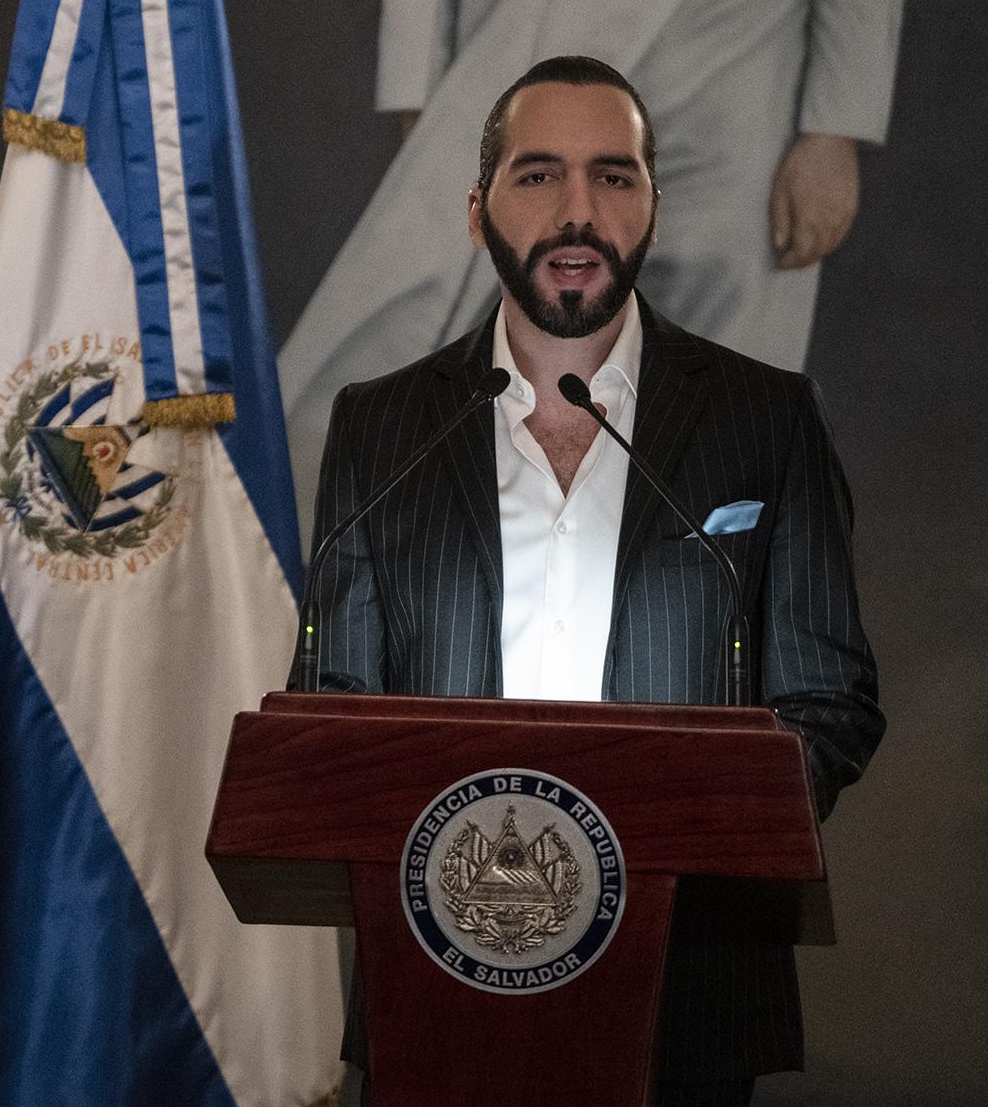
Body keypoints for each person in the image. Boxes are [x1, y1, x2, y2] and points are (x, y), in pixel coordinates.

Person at [290, 57, 883, 1105]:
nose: (576, 210)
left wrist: (687, 835)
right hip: (434, 983)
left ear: (652, 206)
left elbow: (827, 703)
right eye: (537, 176)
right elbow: (334, 702)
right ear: (477, 213)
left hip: (688, 999)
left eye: (612, 177)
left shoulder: (765, 419)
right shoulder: (381, 428)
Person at [279, 0, 910, 540]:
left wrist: (835, 123)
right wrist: (419, 73)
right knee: (403, 349)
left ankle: (702, 634)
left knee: (725, 381)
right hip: (521, 13)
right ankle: (320, 598)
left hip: (740, 41)